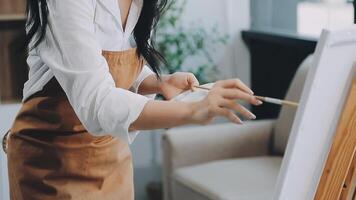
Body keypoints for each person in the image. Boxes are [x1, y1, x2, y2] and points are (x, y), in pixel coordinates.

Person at [3, 0, 262, 199]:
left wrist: (158, 82)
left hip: (113, 161)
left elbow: (115, 69)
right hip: (51, 166)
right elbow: (97, 102)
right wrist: (191, 111)